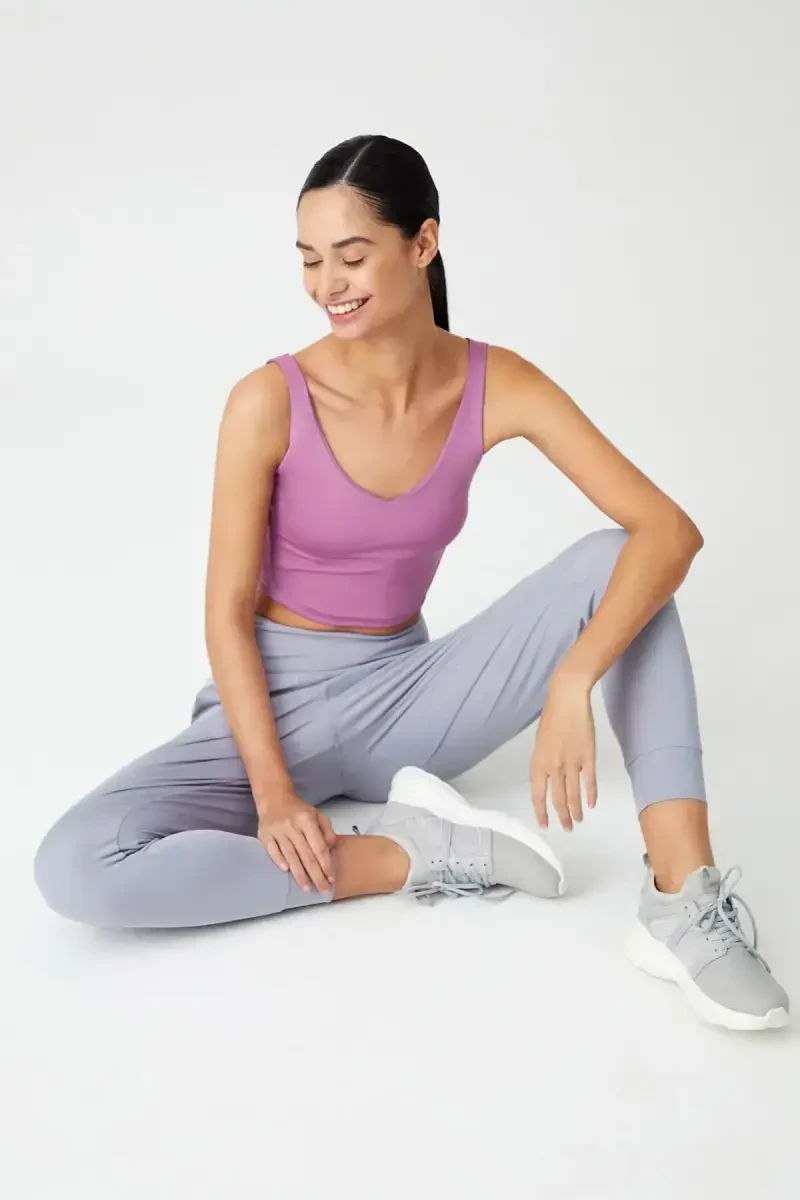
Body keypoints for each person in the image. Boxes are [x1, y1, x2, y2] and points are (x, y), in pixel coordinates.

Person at [33, 133, 788, 1033]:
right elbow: (226, 617)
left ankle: (682, 900)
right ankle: (413, 852)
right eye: (310, 259)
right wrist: (274, 796)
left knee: (626, 566)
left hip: (409, 702)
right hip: (271, 709)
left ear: (422, 243)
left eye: (351, 255)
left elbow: (669, 532)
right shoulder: (268, 401)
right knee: (77, 863)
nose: (328, 284)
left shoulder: (496, 383)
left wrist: (574, 677)